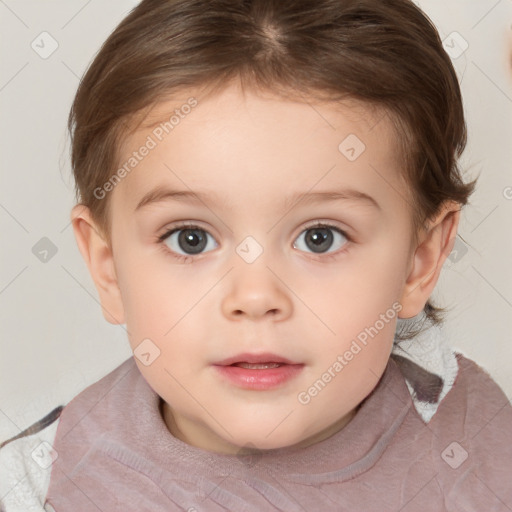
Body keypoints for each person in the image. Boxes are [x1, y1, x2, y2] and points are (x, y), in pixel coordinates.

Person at [1, 0, 511, 510]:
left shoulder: (479, 440)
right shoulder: (41, 487)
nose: (255, 297)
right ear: (108, 268)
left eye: (320, 237)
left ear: (419, 260)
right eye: (190, 239)